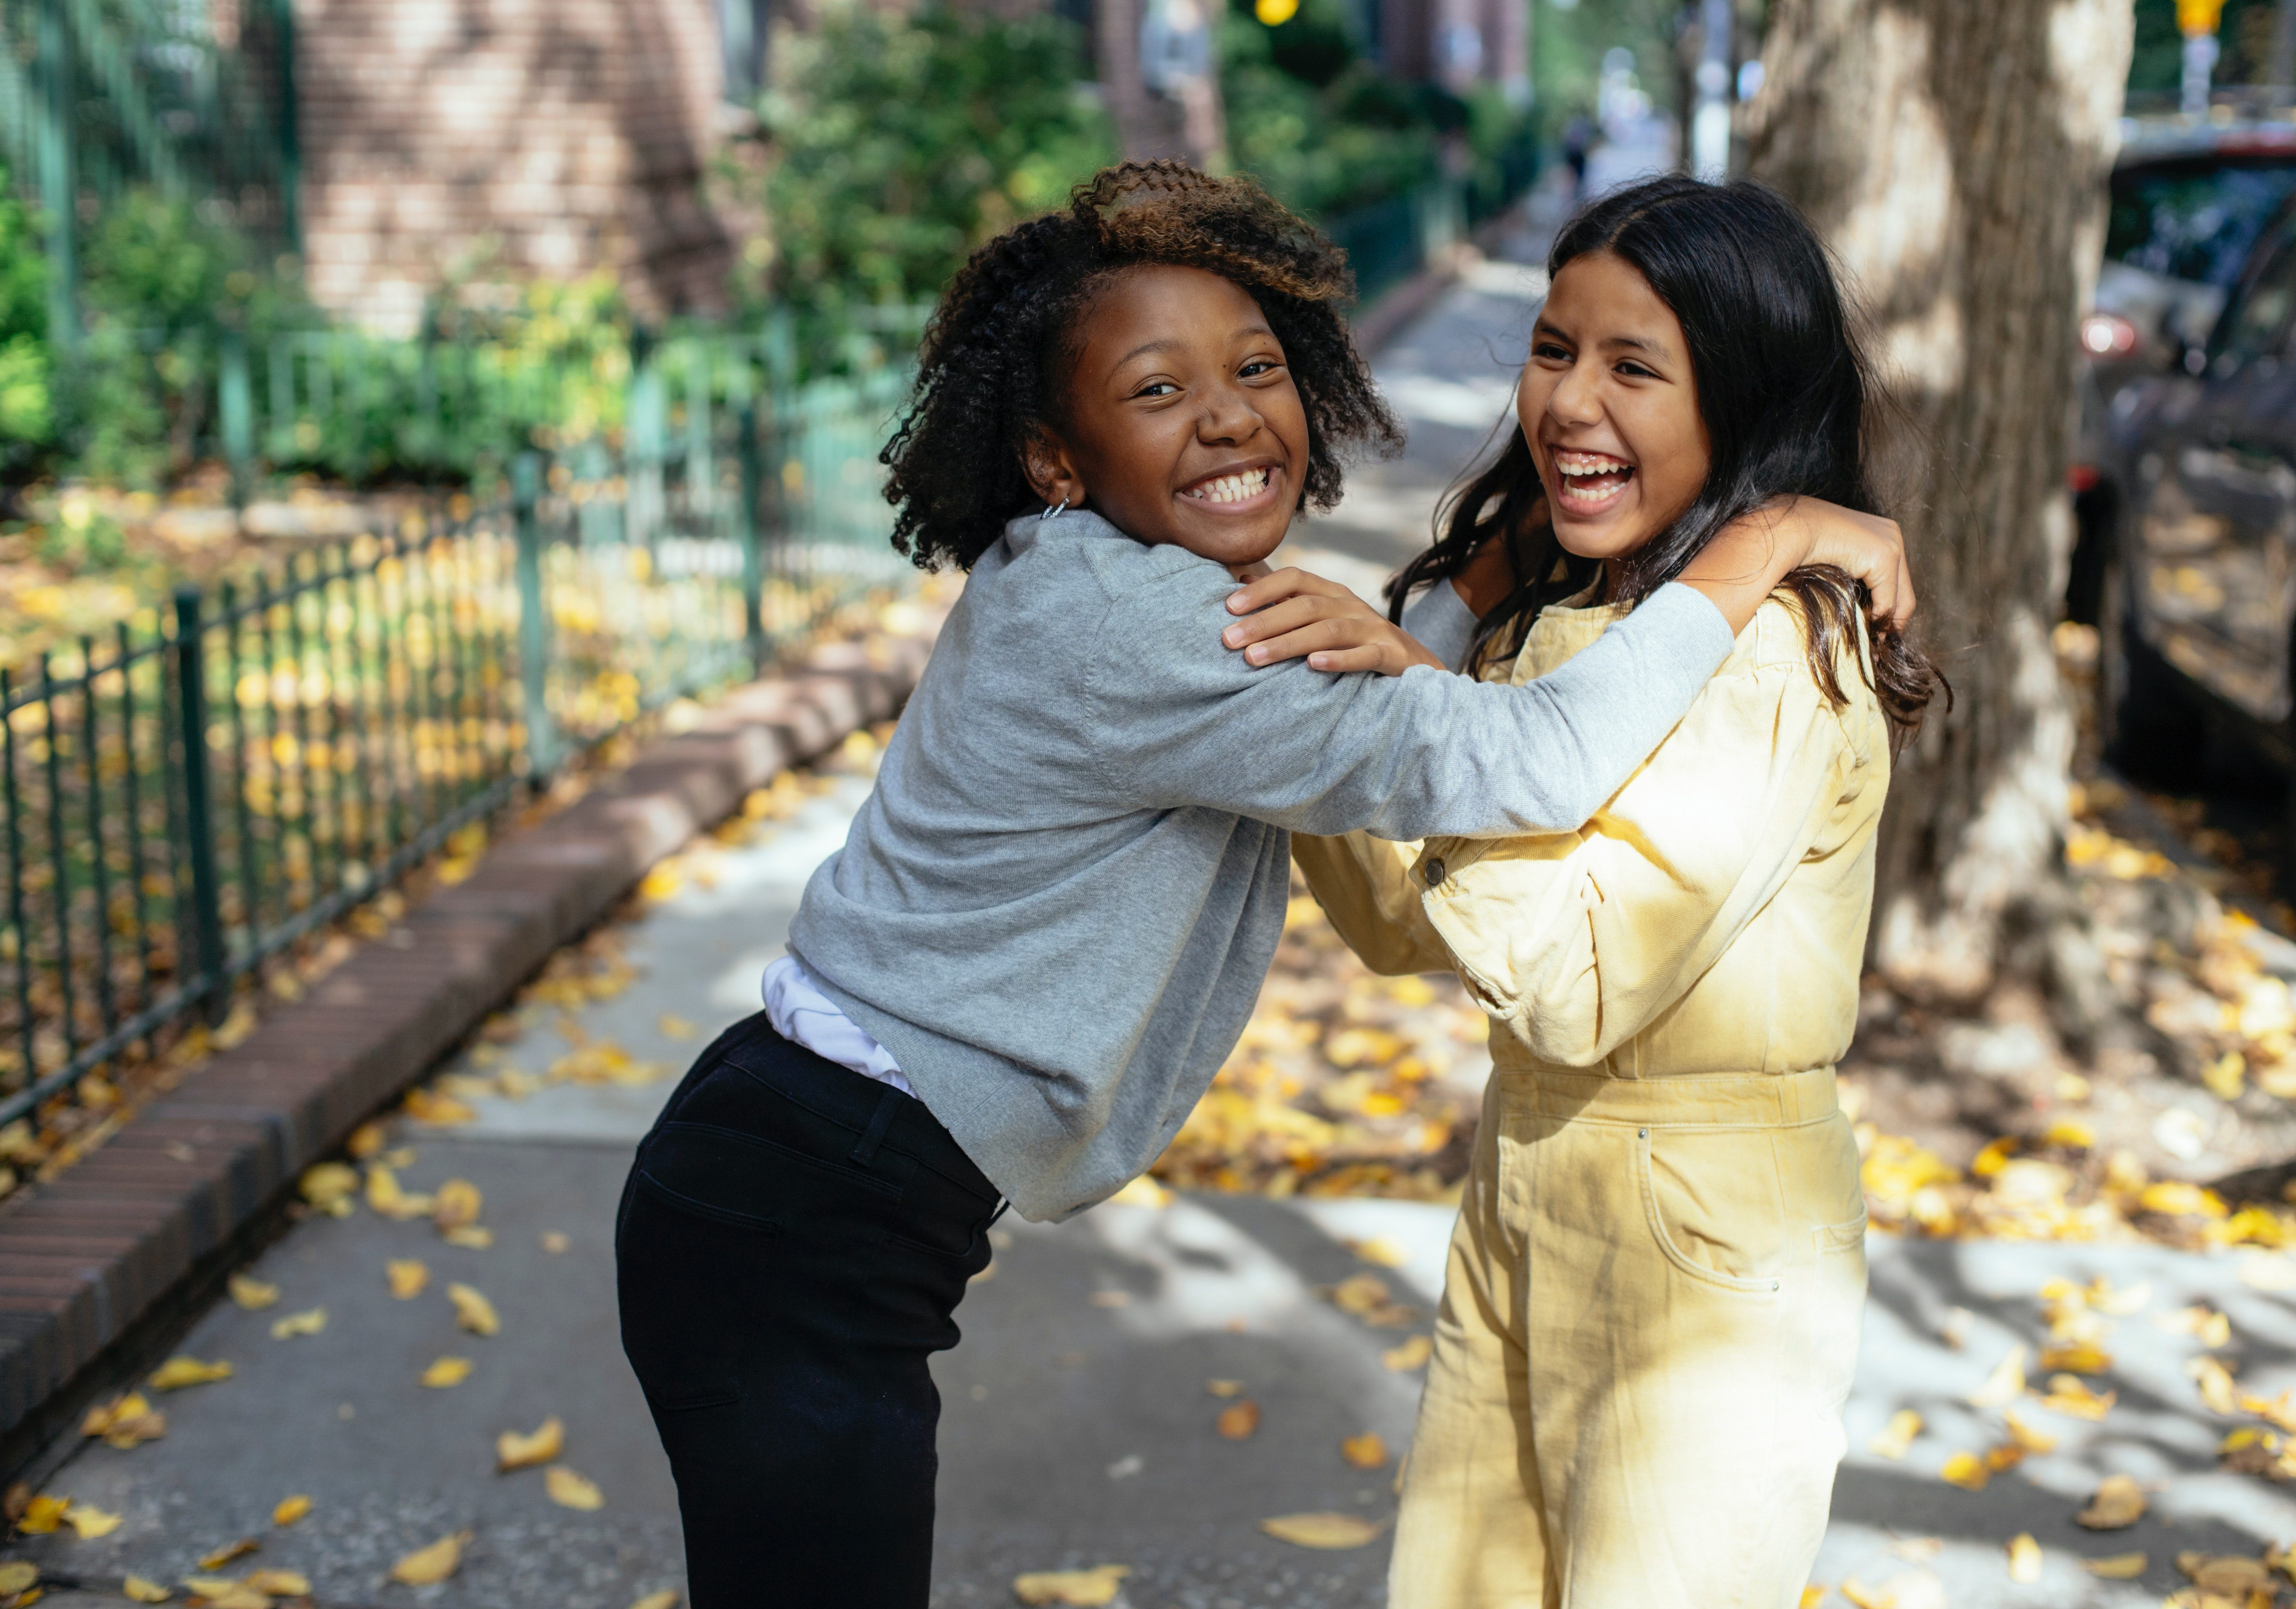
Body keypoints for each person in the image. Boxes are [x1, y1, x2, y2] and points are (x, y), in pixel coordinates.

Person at [613, 162, 1916, 1609]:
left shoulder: (1105, 580)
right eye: (1155, 390)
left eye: (1255, 367)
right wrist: (1759, 539)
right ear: (1056, 457)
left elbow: (1406, 752)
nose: (1229, 414)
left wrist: (1477, 595)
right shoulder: (1158, 629)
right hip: (808, 1218)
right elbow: (1505, 768)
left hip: (799, 1184)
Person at [1279, 175, 1942, 1609]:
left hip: (1700, 1223)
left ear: (1742, 401)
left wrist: (1440, 715)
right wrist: (1453, 612)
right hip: (1526, 1164)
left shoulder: (1774, 650)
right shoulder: (1582, 618)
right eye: (1553, 348)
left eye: (1635, 366)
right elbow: (1394, 918)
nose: (1569, 402)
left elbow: (1575, 983)